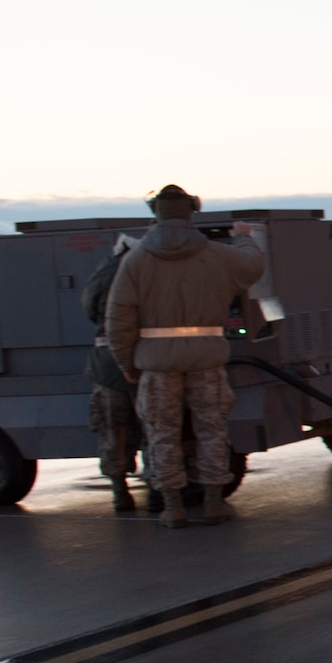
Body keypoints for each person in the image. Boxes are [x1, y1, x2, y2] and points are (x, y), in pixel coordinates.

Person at [106, 186, 265, 529]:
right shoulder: (217, 254)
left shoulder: (135, 261)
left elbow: (118, 320)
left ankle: (172, 507)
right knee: (211, 429)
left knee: (162, 433)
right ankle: (211, 502)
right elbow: (254, 267)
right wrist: (245, 237)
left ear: (156, 213)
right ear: (191, 210)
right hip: (206, 358)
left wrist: (126, 363)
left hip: (157, 363)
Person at [82, 234, 143, 513]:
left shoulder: (107, 270)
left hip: (107, 363)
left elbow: (89, 306)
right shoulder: (149, 267)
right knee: (156, 427)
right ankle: (157, 491)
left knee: (112, 429)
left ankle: (120, 491)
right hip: (146, 359)